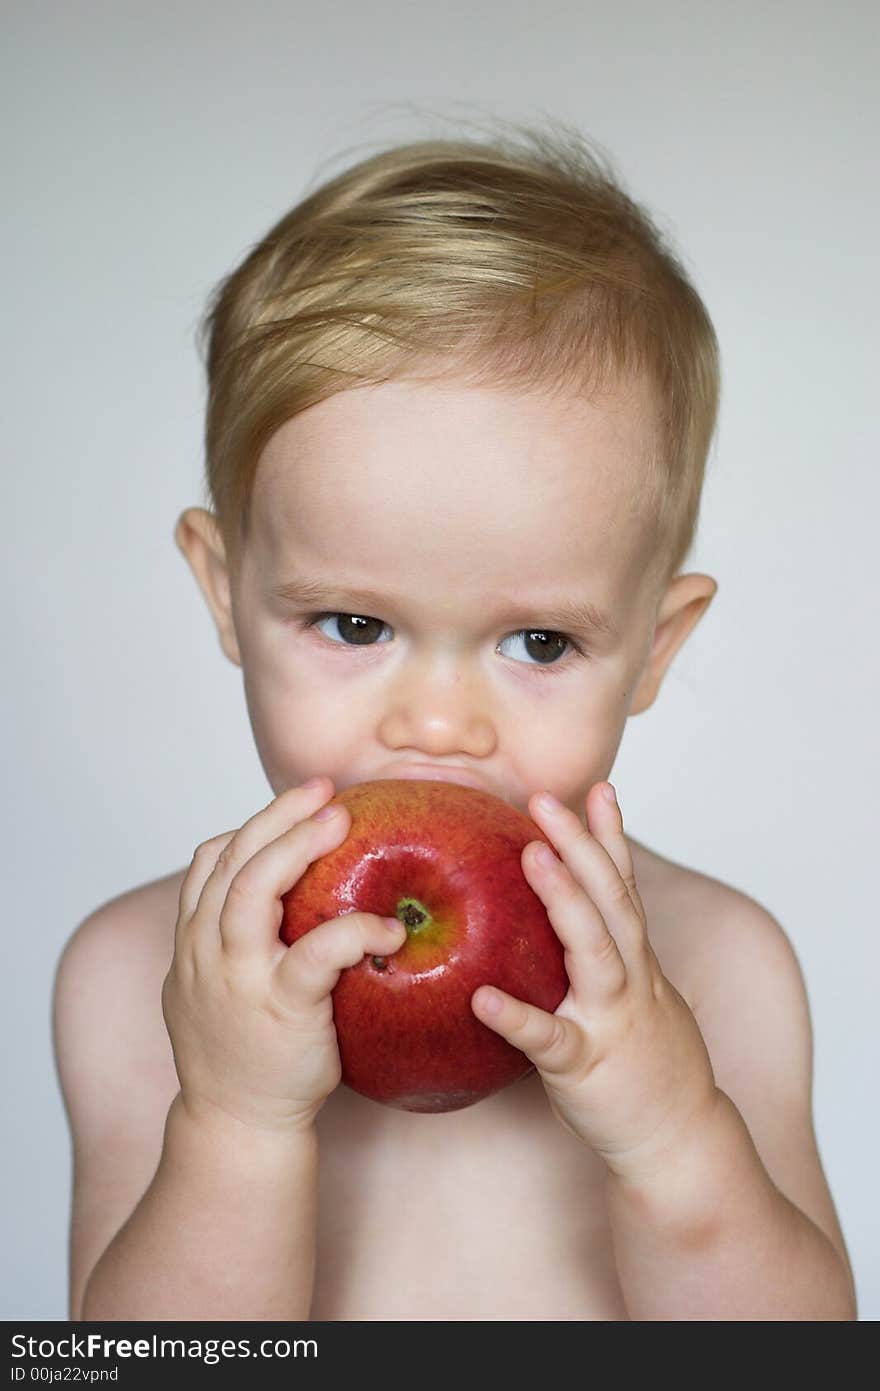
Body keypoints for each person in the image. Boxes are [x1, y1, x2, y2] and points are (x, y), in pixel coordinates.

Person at [52, 121, 857, 1321]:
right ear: (226, 590)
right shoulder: (136, 976)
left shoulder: (720, 965)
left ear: (653, 647)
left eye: (539, 641)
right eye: (352, 624)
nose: (438, 723)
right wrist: (233, 1122)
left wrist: (675, 1132)